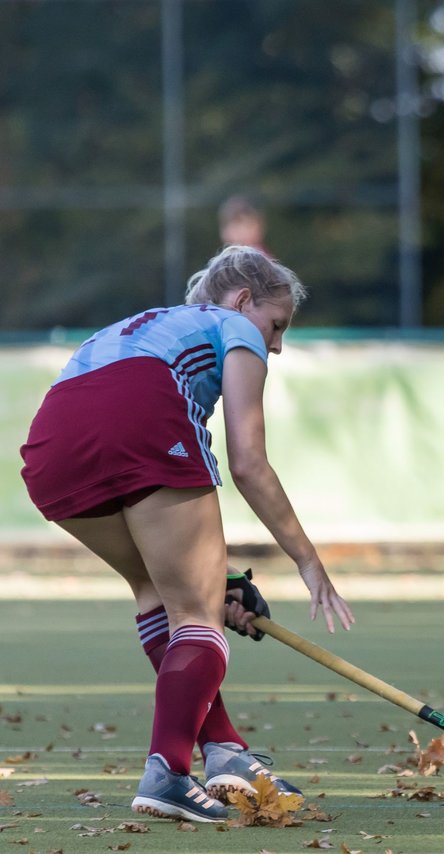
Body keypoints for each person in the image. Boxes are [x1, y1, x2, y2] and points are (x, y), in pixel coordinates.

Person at [19, 245, 354, 822]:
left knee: (161, 595)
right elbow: (249, 461)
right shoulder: (233, 327)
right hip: (140, 421)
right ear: (244, 300)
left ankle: (223, 751)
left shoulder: (146, 324)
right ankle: (167, 773)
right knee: (198, 615)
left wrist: (221, 578)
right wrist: (308, 562)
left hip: (54, 449)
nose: (275, 344)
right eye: (276, 326)